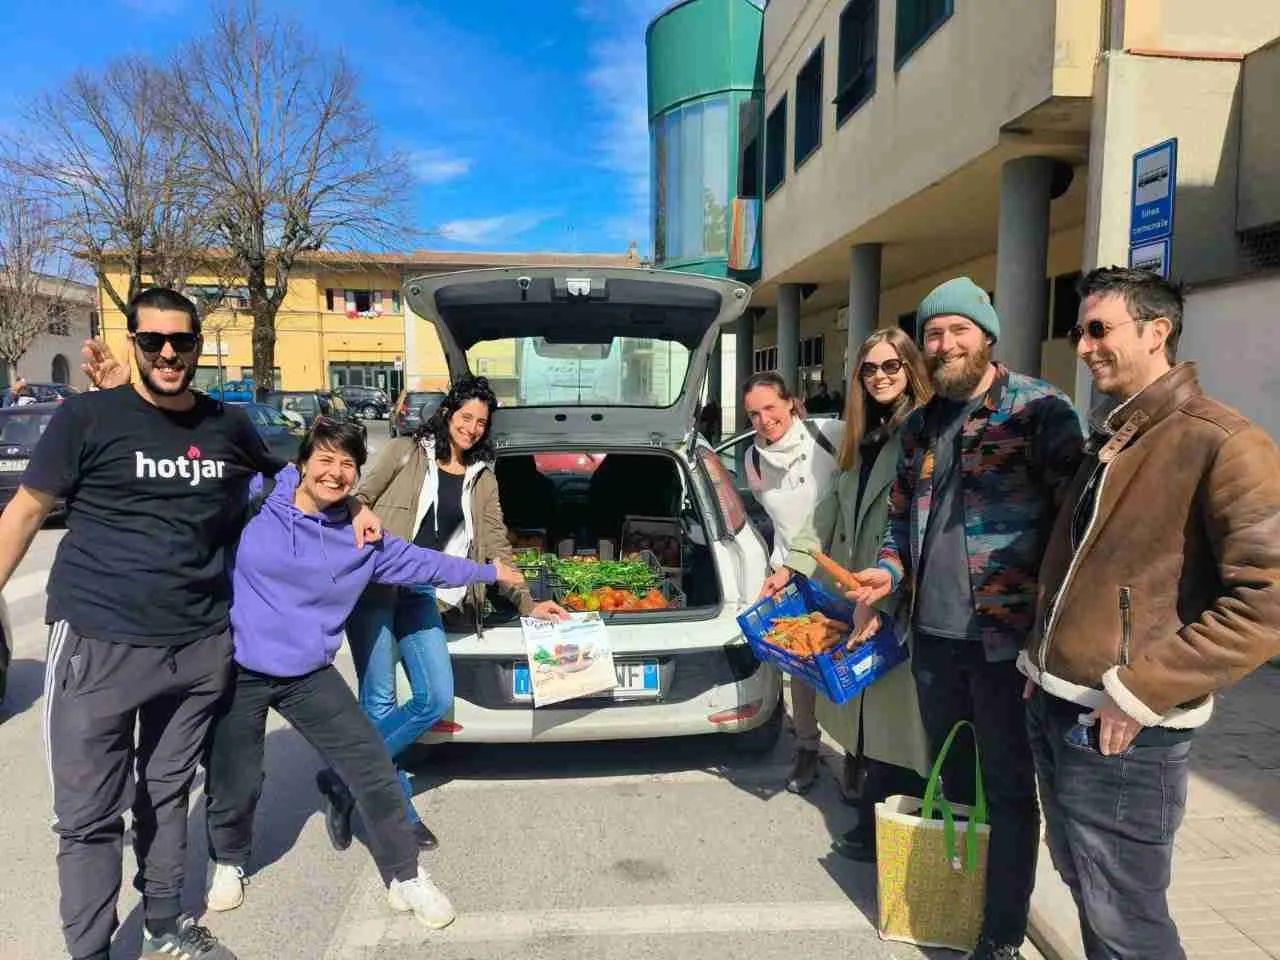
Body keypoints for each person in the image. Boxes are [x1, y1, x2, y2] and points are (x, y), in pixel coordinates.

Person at [0, 288, 369, 960]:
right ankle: (89, 950)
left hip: (198, 648)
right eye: (152, 341)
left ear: (198, 345)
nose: (168, 353)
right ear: (134, 342)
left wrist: (361, 502)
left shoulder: (227, 426)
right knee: (89, 817)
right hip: (98, 644)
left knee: (167, 796)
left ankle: (165, 926)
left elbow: (299, 479)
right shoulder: (86, 418)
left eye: (181, 342)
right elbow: (25, 513)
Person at [1019, 267, 1280, 959]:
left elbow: (1267, 603)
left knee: (1127, 921)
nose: (1084, 346)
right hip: (1060, 707)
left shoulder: (1222, 442)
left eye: (1100, 330)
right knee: (1089, 890)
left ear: (1156, 331)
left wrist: (1138, 692)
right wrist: (1039, 660)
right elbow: (1082, 567)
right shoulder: (1116, 437)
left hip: (1125, 731)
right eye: (1081, 331)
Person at [203, 418, 525, 930]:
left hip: (308, 673)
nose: (334, 473)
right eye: (325, 460)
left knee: (372, 765)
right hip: (240, 667)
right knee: (235, 777)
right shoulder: (266, 499)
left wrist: (490, 572)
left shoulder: (362, 542)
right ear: (303, 463)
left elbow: (425, 563)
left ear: (357, 473)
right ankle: (229, 859)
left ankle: (406, 874)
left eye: (347, 464)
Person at [849, 277, 1084, 960]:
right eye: (933, 334)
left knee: (1010, 788)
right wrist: (887, 575)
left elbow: (1077, 521)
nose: (945, 344)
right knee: (953, 780)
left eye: (958, 330)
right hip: (934, 640)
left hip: (1007, 644)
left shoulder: (1037, 411)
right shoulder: (920, 425)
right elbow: (899, 522)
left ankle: (1001, 932)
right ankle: (957, 900)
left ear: (986, 336)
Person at [318, 375, 568, 850]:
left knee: (434, 698)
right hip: (376, 588)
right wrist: (357, 513)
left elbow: (496, 545)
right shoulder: (403, 452)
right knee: (380, 702)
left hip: (425, 594)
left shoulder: (483, 477)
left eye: (481, 422)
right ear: (448, 412)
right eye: (466, 416)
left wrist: (529, 605)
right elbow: (357, 498)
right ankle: (400, 813)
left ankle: (342, 779)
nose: (472, 428)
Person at [760, 327, 933, 861]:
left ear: (910, 369)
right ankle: (875, 812)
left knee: (900, 717)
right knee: (871, 707)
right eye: (869, 369)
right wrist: (792, 566)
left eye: (891, 366)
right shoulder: (864, 436)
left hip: (899, 593)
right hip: (856, 591)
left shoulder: (923, 432)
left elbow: (914, 525)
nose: (879, 377)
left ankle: (899, 826)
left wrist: (885, 592)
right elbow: (827, 511)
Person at [742, 371, 844, 793]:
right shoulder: (751, 460)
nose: (765, 420)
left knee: (845, 666)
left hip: (840, 572)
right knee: (800, 667)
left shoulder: (831, 435)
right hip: (790, 575)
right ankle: (806, 747)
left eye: (770, 407)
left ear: (791, 403)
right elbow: (776, 522)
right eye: (753, 414)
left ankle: (856, 756)